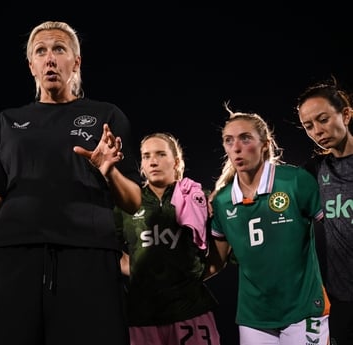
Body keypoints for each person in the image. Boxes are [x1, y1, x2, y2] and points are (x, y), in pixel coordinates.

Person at [0, 20, 142, 345]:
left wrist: (110, 171)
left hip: (87, 258)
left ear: (76, 61)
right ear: (31, 65)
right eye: (40, 51)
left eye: (59, 49)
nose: (49, 58)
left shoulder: (107, 115)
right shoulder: (6, 122)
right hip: (14, 259)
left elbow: (133, 201)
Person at [208, 105, 330, 344]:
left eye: (245, 138)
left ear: (265, 144)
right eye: (229, 140)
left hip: (304, 309)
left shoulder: (295, 181)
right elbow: (216, 262)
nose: (236, 147)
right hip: (255, 317)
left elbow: (337, 233)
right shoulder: (222, 201)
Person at [115, 132, 221, 345]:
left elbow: (220, 253)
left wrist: (192, 276)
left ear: (176, 162)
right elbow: (108, 248)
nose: (153, 161)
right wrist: (136, 268)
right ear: (141, 166)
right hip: (142, 315)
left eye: (161, 154)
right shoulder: (127, 204)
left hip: (191, 309)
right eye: (146, 156)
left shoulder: (200, 198)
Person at [297, 79, 353, 345]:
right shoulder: (315, 170)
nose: (318, 131)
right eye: (309, 126)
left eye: (323, 119)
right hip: (341, 300)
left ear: (346, 114)